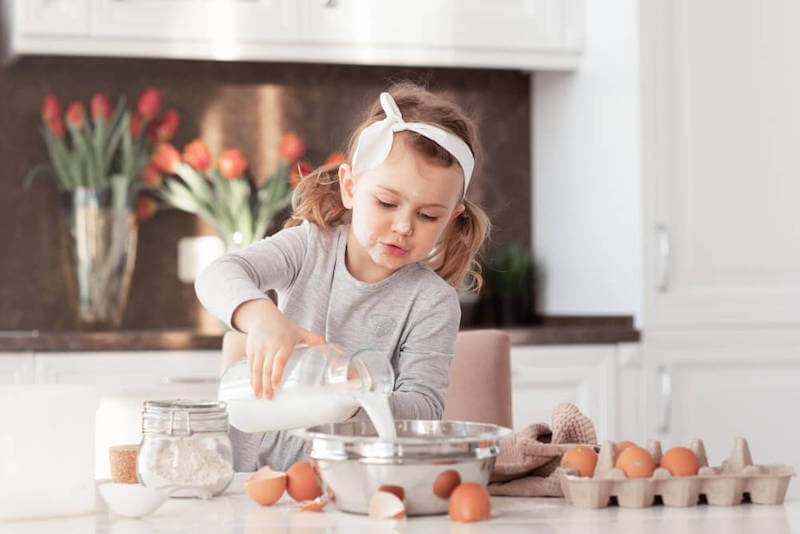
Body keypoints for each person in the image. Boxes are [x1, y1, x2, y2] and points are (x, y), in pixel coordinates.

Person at [195, 82, 491, 471]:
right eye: (386, 202)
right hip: (253, 476)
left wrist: (352, 391)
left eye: (428, 215)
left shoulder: (431, 301)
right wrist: (261, 318)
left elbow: (424, 409)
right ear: (351, 187)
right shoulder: (308, 248)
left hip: (349, 482)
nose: (403, 226)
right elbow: (218, 275)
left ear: (452, 218)